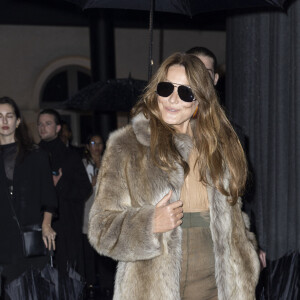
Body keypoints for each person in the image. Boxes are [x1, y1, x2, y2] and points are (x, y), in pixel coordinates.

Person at [88, 53, 260, 300]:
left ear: (201, 99)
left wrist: (249, 259)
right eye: (166, 88)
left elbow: (235, 218)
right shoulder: (127, 146)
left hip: (221, 288)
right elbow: (100, 229)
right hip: (154, 290)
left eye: (186, 93)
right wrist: (149, 225)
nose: (172, 99)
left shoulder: (220, 146)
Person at [0, 97, 57, 298]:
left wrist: (47, 225)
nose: (4, 121)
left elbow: (49, 195)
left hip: (30, 238)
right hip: (3, 240)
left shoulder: (36, 155)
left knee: (32, 293)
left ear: (17, 122)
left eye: (9, 116)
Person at [37, 109, 92, 277]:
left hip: (65, 228)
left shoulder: (70, 156)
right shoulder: (32, 154)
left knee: (64, 279)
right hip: (38, 226)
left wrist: (59, 185)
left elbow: (85, 189)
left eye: (48, 123)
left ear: (58, 128)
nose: (42, 128)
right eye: (40, 124)